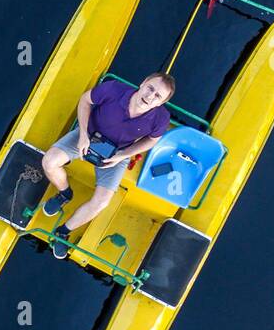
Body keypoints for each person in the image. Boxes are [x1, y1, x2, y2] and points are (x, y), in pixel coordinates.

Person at [40, 73, 175, 259]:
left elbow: (152, 140)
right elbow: (85, 101)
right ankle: (65, 193)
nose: (150, 96)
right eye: (150, 88)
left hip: (118, 153)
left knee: (102, 201)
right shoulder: (113, 89)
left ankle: (63, 232)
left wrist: (123, 155)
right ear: (143, 83)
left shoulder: (161, 119)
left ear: (161, 103)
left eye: (158, 96)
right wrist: (83, 135)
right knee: (49, 162)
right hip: (88, 136)